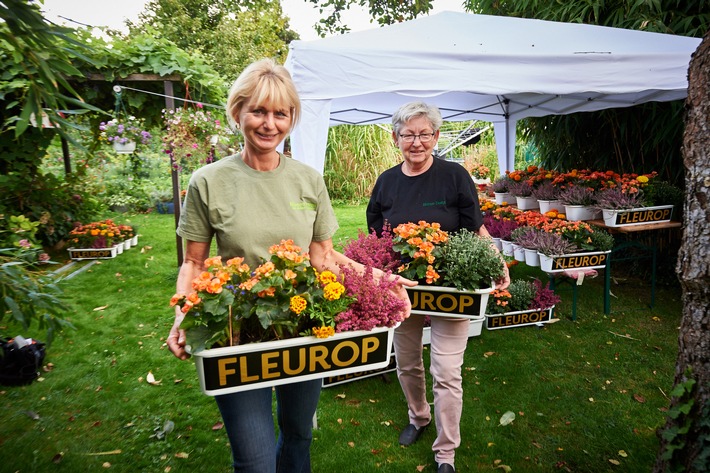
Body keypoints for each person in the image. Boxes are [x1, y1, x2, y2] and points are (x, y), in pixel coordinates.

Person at [166, 58, 416, 473]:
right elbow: (193, 263)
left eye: (281, 113)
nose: (269, 124)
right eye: (258, 111)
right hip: (239, 330)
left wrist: (381, 281)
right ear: (238, 113)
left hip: (301, 330)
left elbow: (323, 256)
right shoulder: (208, 181)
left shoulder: (307, 179)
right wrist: (182, 315)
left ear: (292, 118)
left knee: (299, 434)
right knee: (255, 458)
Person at [366, 101, 510, 473]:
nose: (417, 142)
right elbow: (377, 234)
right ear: (396, 137)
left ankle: (446, 450)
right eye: (408, 134)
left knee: (446, 371)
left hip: (453, 289)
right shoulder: (386, 182)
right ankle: (418, 417)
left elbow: (476, 226)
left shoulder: (454, 176)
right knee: (408, 362)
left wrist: (495, 259)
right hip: (404, 287)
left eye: (424, 134)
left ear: (436, 136)